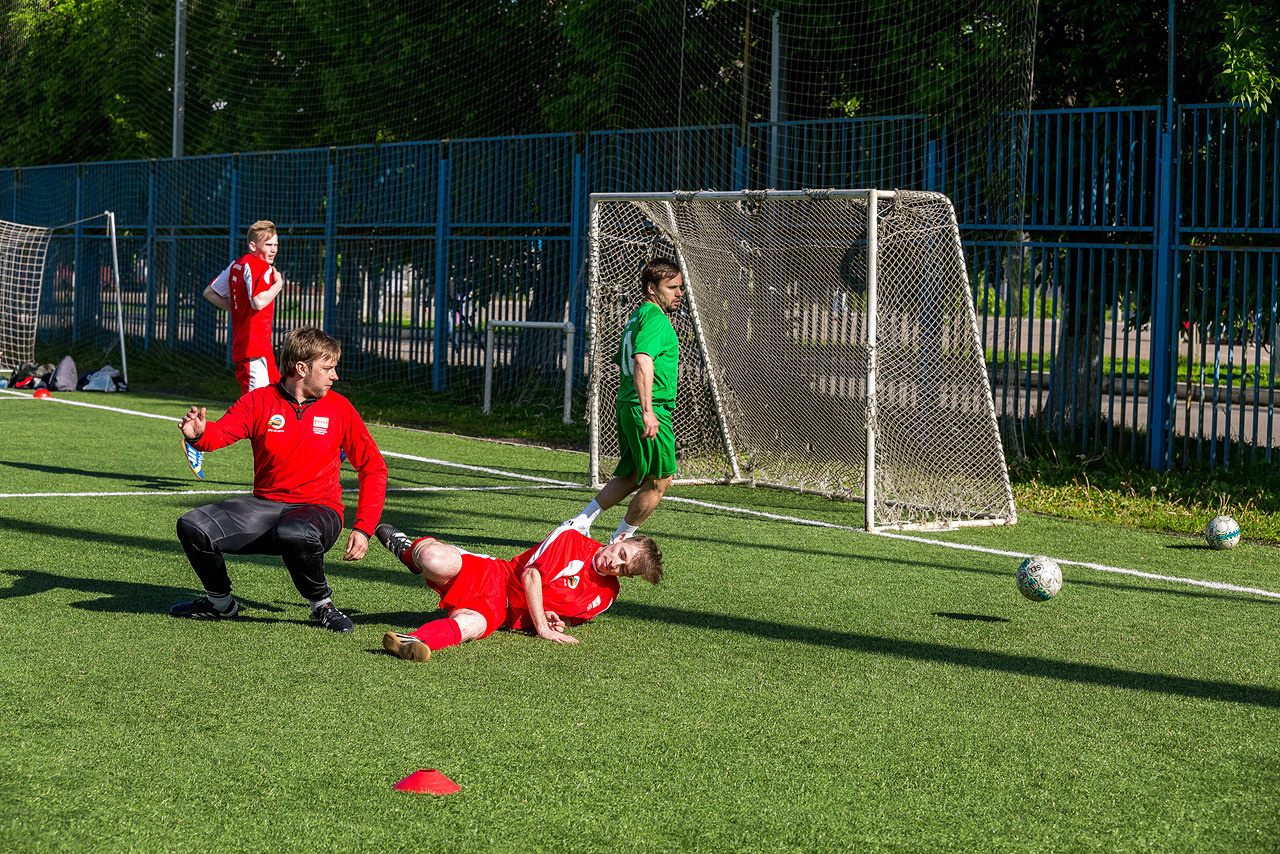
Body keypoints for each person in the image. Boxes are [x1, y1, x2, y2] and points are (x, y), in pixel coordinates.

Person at [170, 326, 388, 633]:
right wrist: (201, 434)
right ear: (301, 368)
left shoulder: (340, 408)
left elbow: (374, 468)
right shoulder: (259, 401)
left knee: (295, 531)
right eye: (327, 368)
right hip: (266, 507)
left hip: (319, 510)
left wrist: (364, 528)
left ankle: (322, 605)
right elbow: (222, 433)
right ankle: (220, 604)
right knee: (193, 526)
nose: (334, 376)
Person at [373, 519, 663, 662]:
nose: (615, 565)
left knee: (470, 626)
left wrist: (557, 620)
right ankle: (409, 549)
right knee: (433, 560)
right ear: (620, 540)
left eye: (624, 570)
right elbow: (531, 575)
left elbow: (573, 617)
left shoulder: (607, 595)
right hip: (495, 576)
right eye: (621, 554)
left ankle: (409, 641)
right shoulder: (572, 539)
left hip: (502, 614)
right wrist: (542, 628)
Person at [570, 257, 683, 543]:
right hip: (647, 405)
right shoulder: (656, 319)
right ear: (651, 288)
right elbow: (642, 360)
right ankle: (619, 540)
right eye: (671, 287)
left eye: (680, 287)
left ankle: (580, 522)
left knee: (634, 473)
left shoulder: (637, 317)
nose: (679, 293)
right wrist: (648, 411)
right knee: (660, 480)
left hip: (627, 404)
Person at [185, 221, 286, 479]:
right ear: (253, 245)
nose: (273, 249)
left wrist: (235, 309)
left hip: (259, 352)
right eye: (268, 244)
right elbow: (257, 300)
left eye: (276, 244)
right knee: (256, 414)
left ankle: (327, 451)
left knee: (284, 401)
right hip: (253, 352)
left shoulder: (236, 265)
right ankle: (199, 438)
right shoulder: (260, 267)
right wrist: (278, 285)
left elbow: (210, 292)